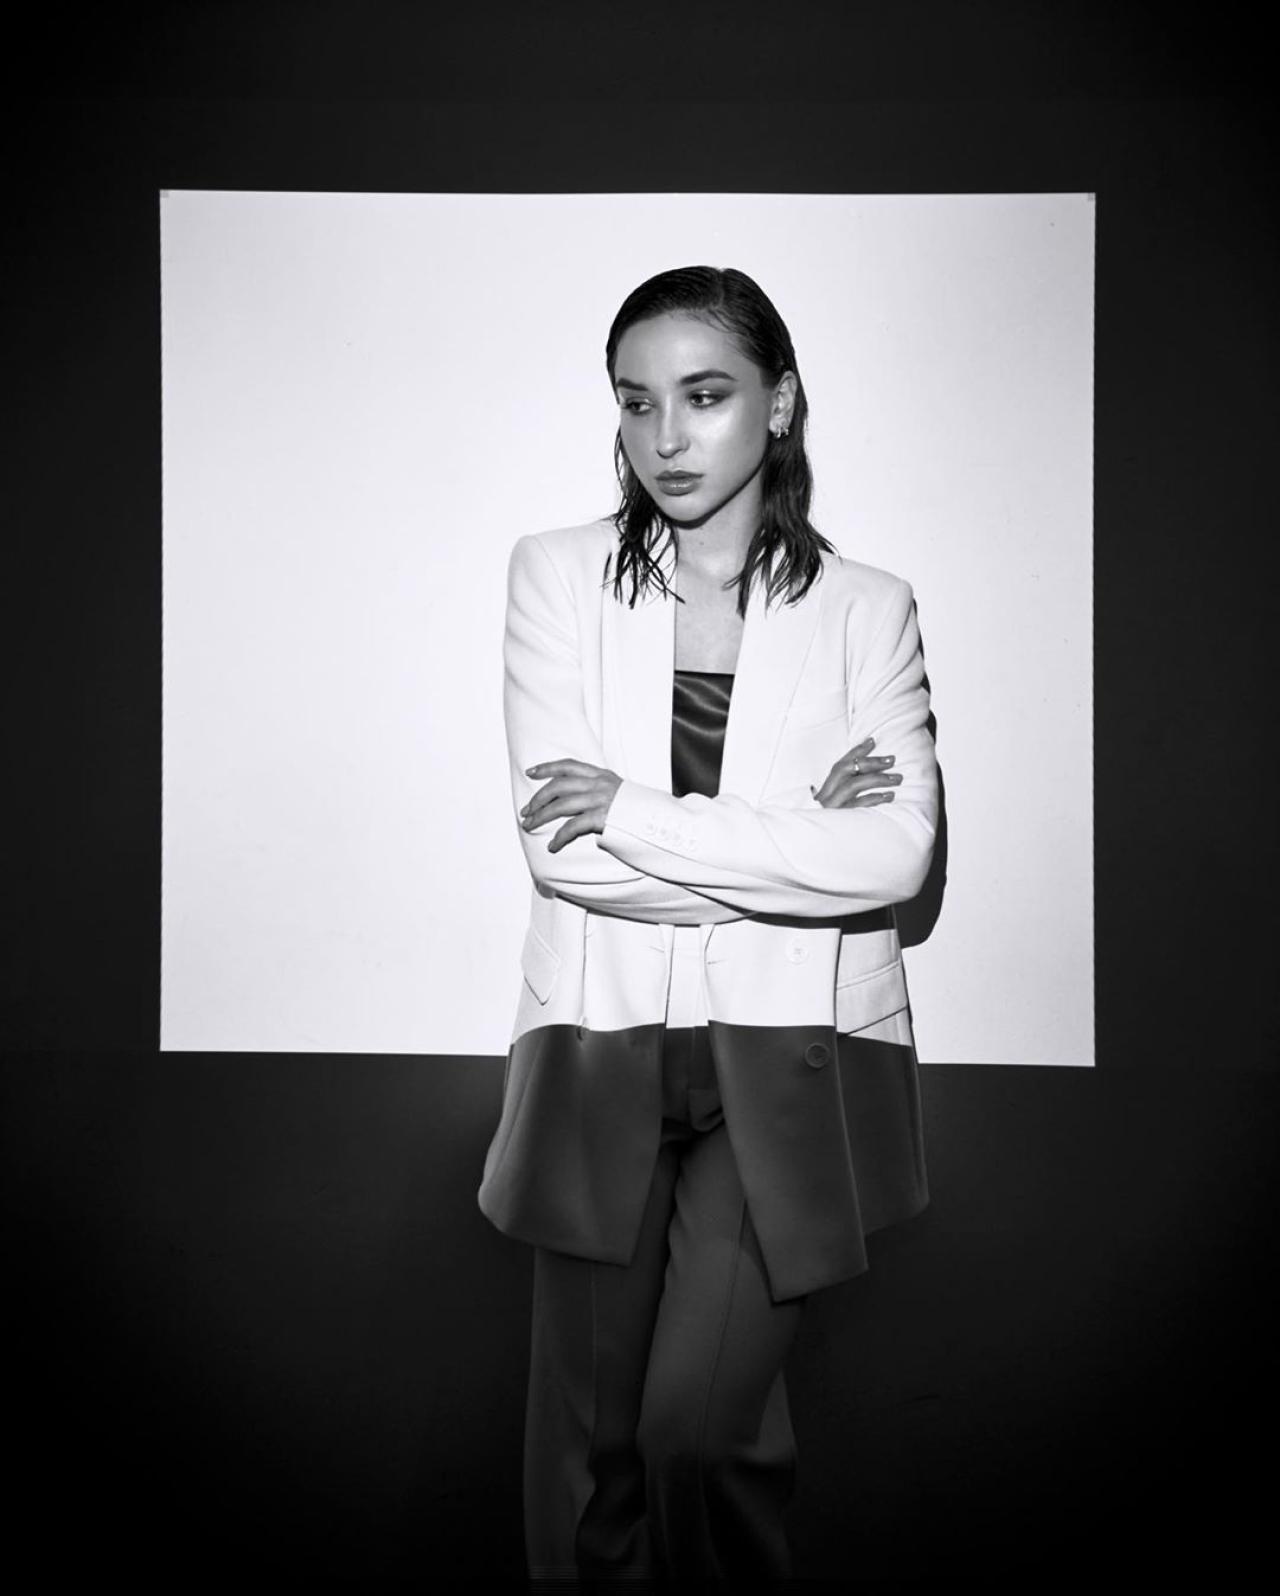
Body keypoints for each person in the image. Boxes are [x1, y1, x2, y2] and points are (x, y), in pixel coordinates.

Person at [478, 264, 938, 1584]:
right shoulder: (557, 576)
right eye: (636, 403)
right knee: (584, 1452)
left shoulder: (866, 608)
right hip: (598, 1041)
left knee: (699, 1431)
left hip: (792, 1058)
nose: (665, 438)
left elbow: (893, 857)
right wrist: (799, 833)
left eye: (705, 395)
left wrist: (633, 810)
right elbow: (564, 859)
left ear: (778, 403)